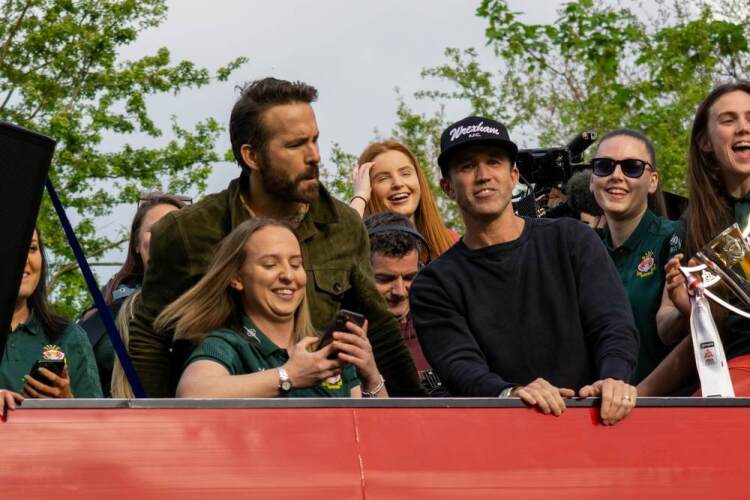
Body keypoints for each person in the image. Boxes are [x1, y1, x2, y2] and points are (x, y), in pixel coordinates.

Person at [129, 77, 422, 397]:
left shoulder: (344, 226)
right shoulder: (187, 232)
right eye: (296, 145)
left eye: (315, 140)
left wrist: (416, 420)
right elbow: (150, 339)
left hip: (322, 420)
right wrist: (157, 429)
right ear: (252, 156)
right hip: (218, 427)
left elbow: (379, 330)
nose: (314, 156)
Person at [410, 116, 639, 425]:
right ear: (447, 186)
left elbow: (614, 325)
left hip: (596, 425)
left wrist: (613, 379)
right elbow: (459, 365)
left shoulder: (572, 240)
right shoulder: (434, 284)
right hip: (500, 441)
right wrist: (509, 395)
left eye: (494, 162)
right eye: (466, 166)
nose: (483, 176)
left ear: (513, 175)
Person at [156, 219, 386, 398]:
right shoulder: (228, 345)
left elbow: (378, 434)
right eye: (270, 264)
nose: (288, 275)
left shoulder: (323, 348)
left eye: (296, 264)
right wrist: (289, 376)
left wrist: (371, 377)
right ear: (237, 278)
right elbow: (192, 394)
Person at [640, 81, 750, 396]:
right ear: (704, 142)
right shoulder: (694, 222)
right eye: (729, 120)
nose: (743, 128)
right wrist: (689, 307)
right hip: (731, 373)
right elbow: (668, 327)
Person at [590, 130, 681, 384]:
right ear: (591, 179)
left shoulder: (675, 237)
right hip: (593, 409)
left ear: (652, 181)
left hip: (664, 408)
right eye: (604, 166)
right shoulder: (582, 249)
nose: (616, 176)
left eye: (632, 167)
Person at [80, 192, 187, 396]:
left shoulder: (217, 305)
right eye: (155, 229)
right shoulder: (105, 310)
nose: (165, 235)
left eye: (175, 228)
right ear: (137, 244)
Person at [1, 229, 102, 415]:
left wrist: (68, 403)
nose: (24, 258)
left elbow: (96, 426)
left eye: (31, 248)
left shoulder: (70, 336)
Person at [364, 211, 448, 395]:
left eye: (410, 277)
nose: (400, 291)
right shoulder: (351, 339)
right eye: (385, 279)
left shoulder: (444, 326)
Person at [350, 140, 458, 257]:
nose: (398, 183)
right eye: (383, 178)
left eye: (405, 173)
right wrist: (360, 196)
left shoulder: (451, 241)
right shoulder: (362, 249)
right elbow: (340, 244)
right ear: (368, 188)